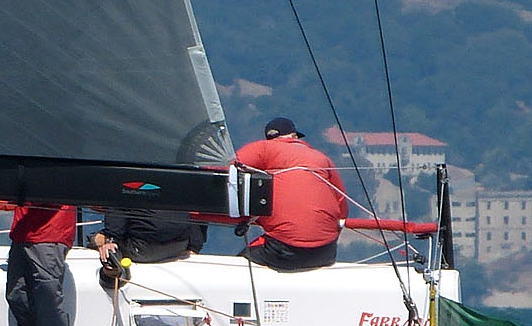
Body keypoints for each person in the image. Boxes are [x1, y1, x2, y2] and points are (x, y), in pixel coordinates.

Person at [232, 116, 347, 272]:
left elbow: (229, 167)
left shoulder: (264, 148)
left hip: (284, 250)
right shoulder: (322, 158)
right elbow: (342, 206)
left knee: (237, 265)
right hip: (327, 252)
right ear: (294, 136)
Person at [2, 201, 76, 326]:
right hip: (24, 231)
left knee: (48, 305)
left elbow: (46, 191)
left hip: (50, 233)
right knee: (16, 294)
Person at [92, 204, 204, 288]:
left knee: (98, 238)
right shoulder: (177, 183)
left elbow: (116, 223)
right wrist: (194, 247)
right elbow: (198, 207)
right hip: (180, 246)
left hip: (143, 251)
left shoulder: (126, 184)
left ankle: (114, 269)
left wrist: (111, 240)